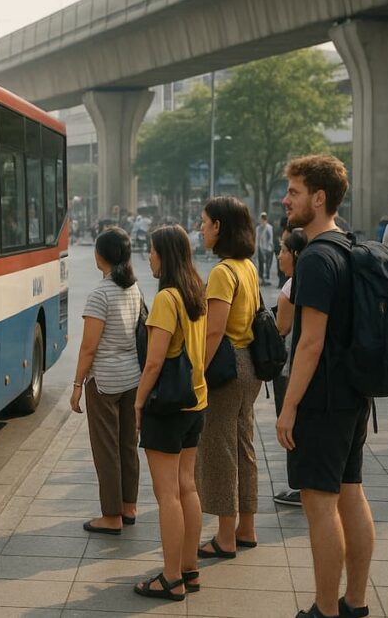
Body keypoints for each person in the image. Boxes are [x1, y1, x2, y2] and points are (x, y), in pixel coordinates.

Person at [277, 154, 372, 618]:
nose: (286, 200)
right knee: (352, 493)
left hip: (323, 400)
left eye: (294, 192)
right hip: (354, 397)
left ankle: (323, 610)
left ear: (319, 198)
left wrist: (288, 407)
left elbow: (309, 343)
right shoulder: (349, 246)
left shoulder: (315, 258)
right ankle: (353, 602)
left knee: (319, 504)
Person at [132, 225, 207, 602]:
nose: (148, 257)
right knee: (187, 486)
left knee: (167, 495)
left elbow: (154, 362)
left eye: (151, 250)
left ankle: (171, 577)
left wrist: (138, 403)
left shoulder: (166, 300)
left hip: (167, 406)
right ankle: (190, 568)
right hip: (196, 402)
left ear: (166, 255)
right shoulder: (197, 292)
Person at [196, 197, 263, 560]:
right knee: (243, 446)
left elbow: (213, 332)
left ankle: (224, 536)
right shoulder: (247, 267)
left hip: (227, 367)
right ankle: (246, 527)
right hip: (249, 365)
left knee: (220, 448)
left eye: (204, 222)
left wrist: (197, 373)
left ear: (219, 226)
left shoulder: (223, 272)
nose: (201, 228)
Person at [70, 228, 143, 535]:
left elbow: (89, 347)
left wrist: (76, 386)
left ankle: (111, 516)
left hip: (104, 383)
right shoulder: (134, 288)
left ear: (100, 255)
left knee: (106, 449)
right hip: (132, 378)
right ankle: (129, 507)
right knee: (128, 444)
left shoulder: (100, 294)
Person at [273, 227, 309, 507]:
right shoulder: (312, 280)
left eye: (283, 250)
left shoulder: (290, 288)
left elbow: (281, 328)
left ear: (295, 254)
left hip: (290, 368)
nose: (279, 255)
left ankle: (300, 484)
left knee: (291, 426)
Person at [255, 212, 274, 285]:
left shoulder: (269, 227)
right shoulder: (258, 228)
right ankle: (261, 278)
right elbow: (257, 238)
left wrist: (270, 247)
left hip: (268, 248)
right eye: (262, 218)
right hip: (260, 247)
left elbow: (270, 238)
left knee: (268, 264)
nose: (262, 220)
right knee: (261, 263)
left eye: (264, 218)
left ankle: (267, 279)